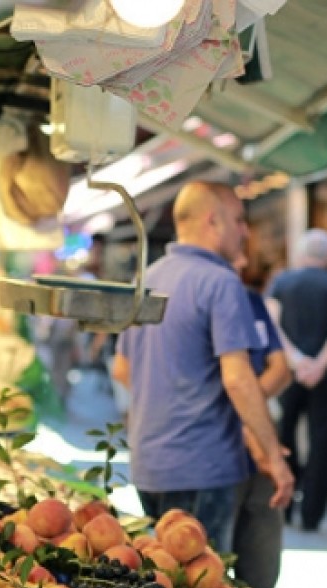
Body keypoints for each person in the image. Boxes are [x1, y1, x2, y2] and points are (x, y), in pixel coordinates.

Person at [114, 181, 294, 551]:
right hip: (203, 468)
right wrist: (274, 457)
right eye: (239, 220)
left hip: (149, 463)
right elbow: (239, 379)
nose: (245, 231)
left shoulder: (146, 279)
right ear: (214, 221)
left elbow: (121, 369)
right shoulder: (220, 282)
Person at [266, 229, 327, 530]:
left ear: (301, 253)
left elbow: (271, 324)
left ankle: (284, 505)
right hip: (325, 376)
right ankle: (312, 514)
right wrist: (319, 364)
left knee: (284, 438)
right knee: (322, 443)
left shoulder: (283, 282)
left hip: (287, 374)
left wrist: (296, 360)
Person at [231, 251, 291, 588]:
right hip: (214, 453)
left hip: (258, 446)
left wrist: (244, 405)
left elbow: (282, 369)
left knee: (260, 573)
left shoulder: (251, 301)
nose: (243, 259)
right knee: (208, 574)